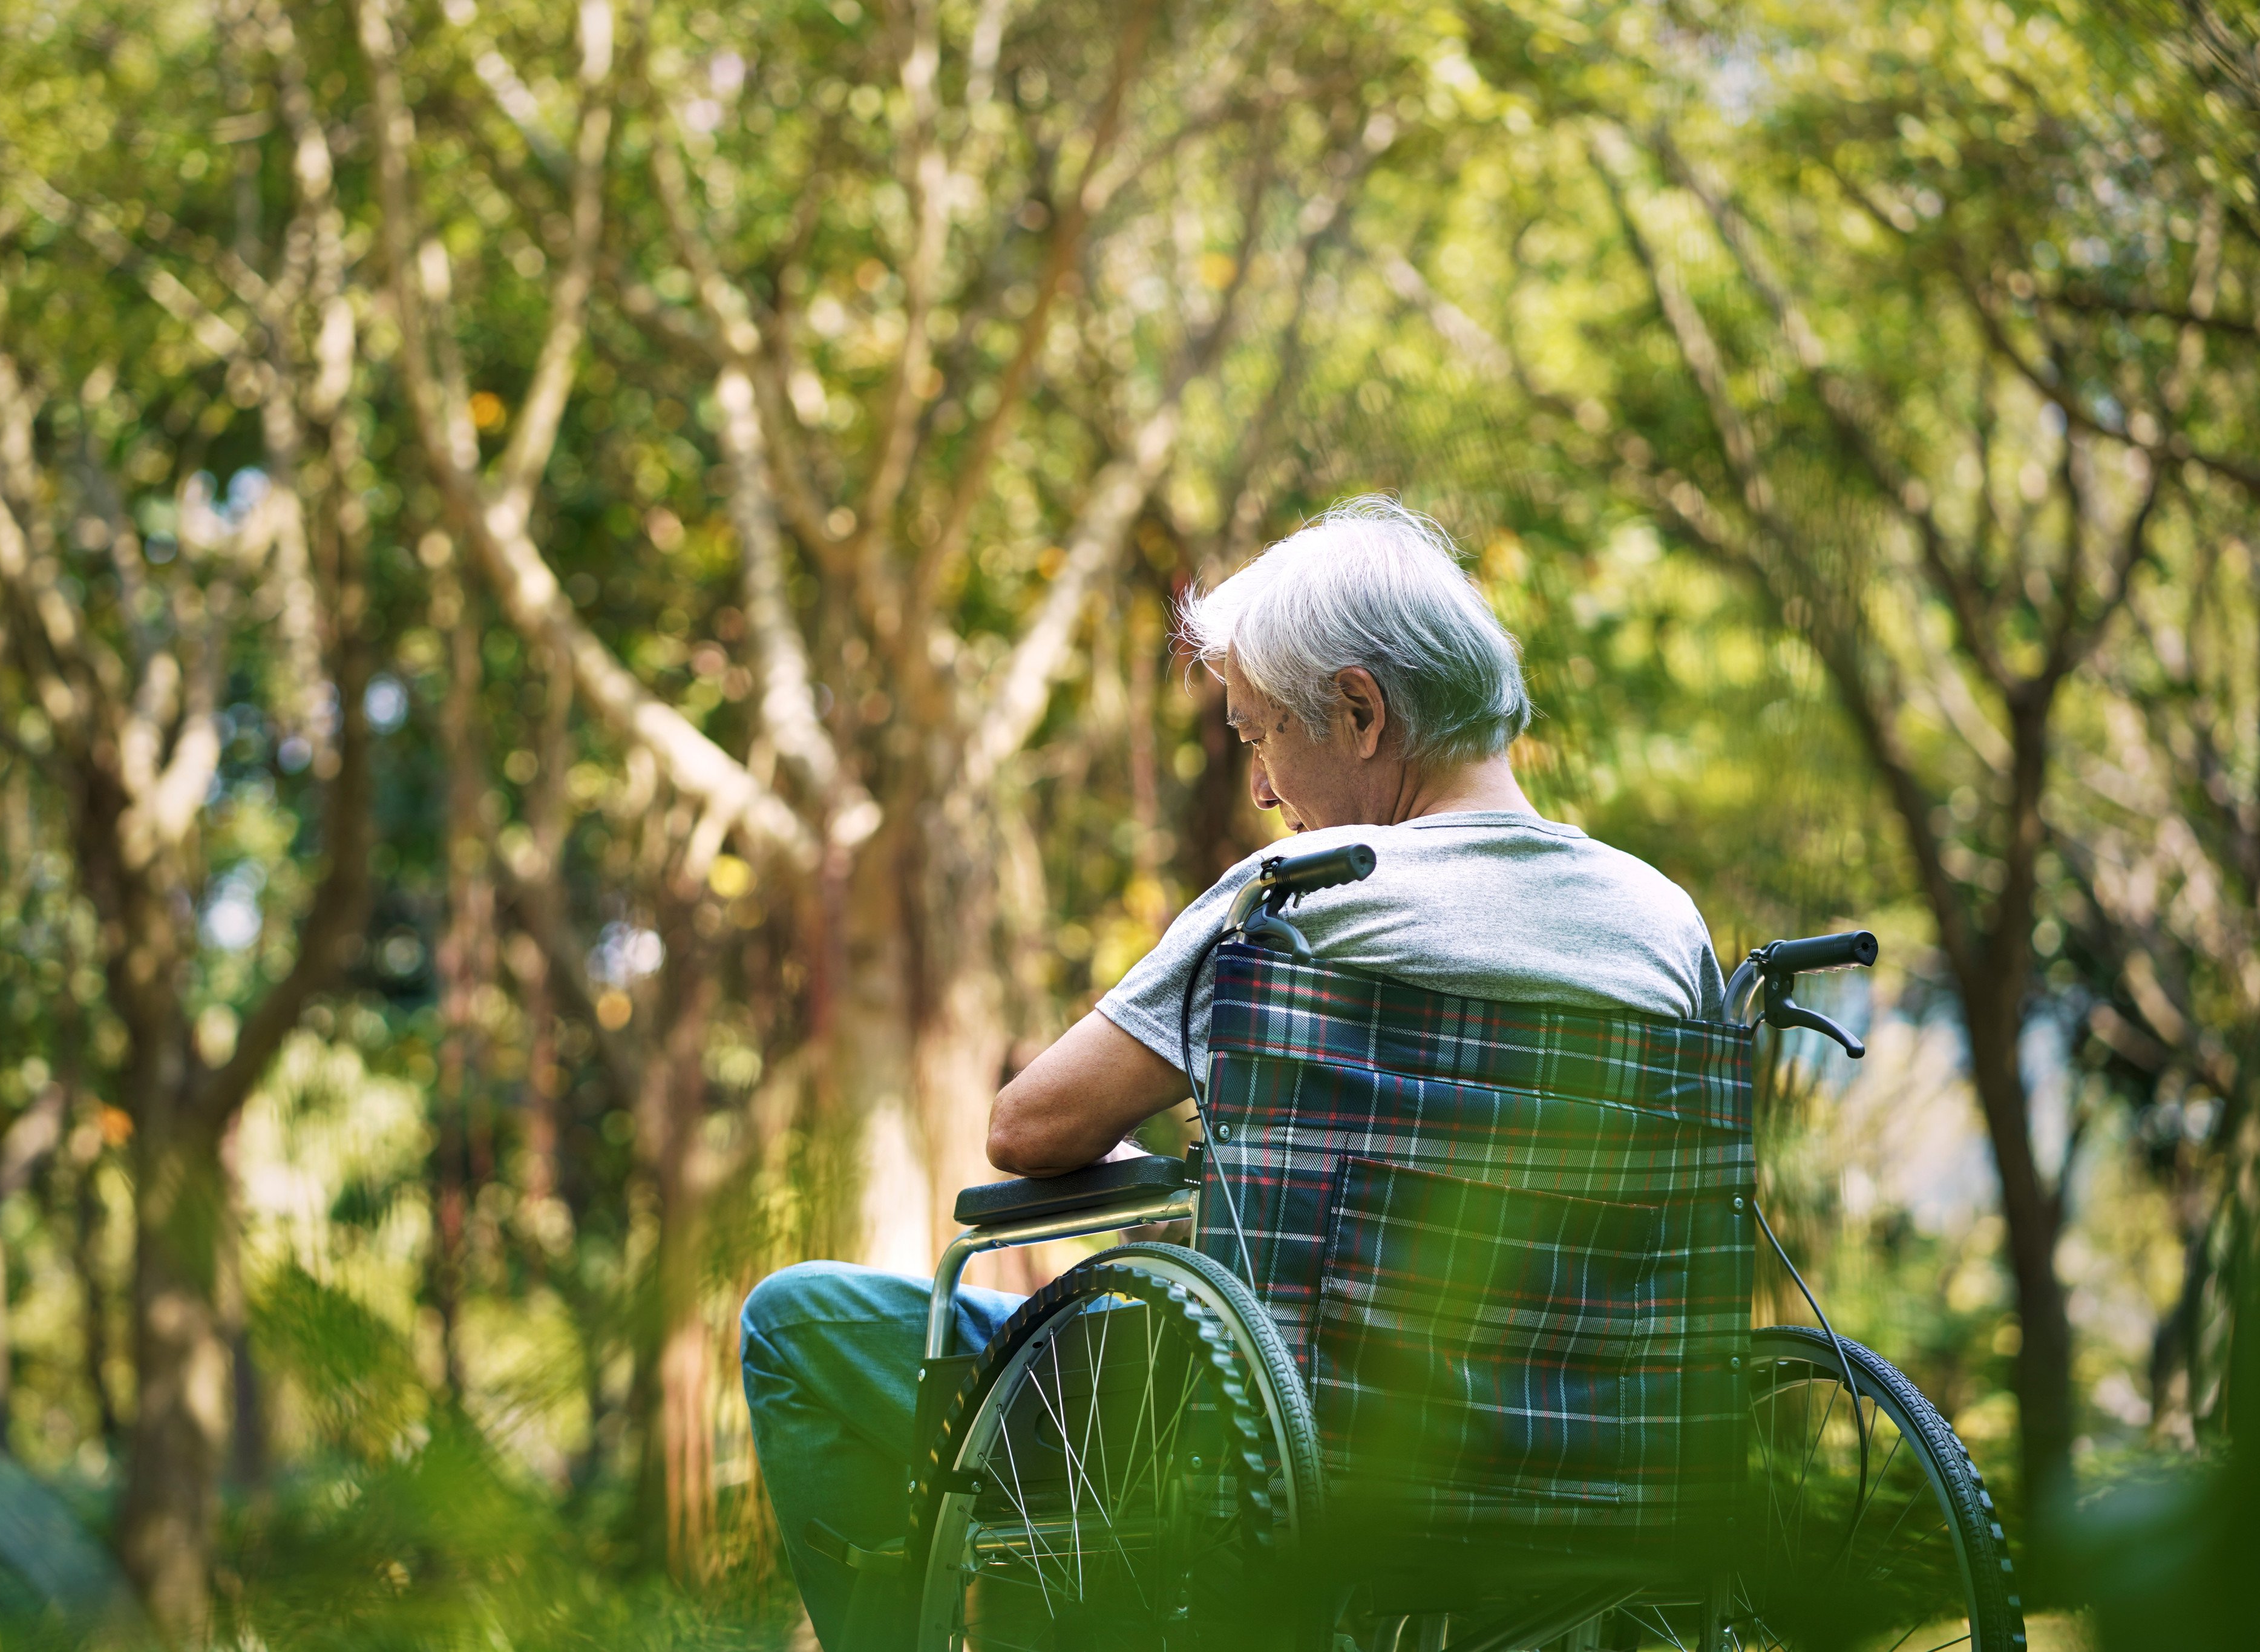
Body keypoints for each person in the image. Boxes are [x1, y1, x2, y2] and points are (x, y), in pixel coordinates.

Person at [738, 496, 1724, 1648]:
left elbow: (1029, 1127)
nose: (1258, 788)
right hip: (1596, 1458)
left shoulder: (1306, 896)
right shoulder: (1665, 927)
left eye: (1258, 735)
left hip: (1279, 1438)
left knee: (794, 1322)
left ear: (1360, 711)